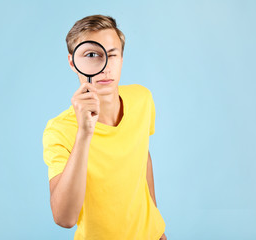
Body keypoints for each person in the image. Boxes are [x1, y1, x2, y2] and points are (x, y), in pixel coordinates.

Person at [42, 14, 167, 240]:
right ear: (72, 62)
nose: (105, 67)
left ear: (121, 59)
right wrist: (84, 133)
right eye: (92, 55)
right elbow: (64, 218)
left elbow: (142, 156)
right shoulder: (59, 130)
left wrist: (156, 226)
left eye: (112, 55)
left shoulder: (142, 98)